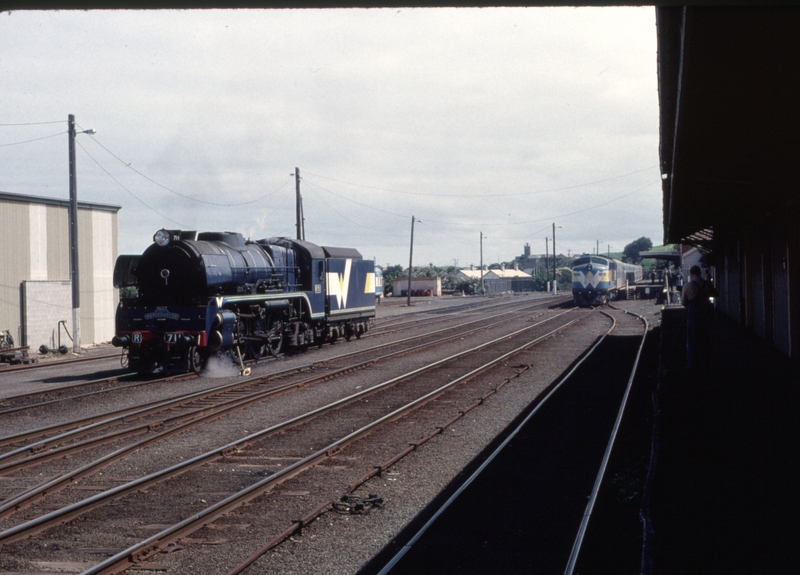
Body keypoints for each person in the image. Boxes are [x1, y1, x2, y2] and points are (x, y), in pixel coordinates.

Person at [681, 265, 714, 370]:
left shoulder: (688, 286)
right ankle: (705, 364)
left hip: (693, 316)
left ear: (691, 274)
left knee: (692, 341)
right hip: (705, 315)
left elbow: (683, 302)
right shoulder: (707, 284)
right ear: (700, 273)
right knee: (705, 340)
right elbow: (715, 294)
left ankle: (692, 364)